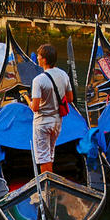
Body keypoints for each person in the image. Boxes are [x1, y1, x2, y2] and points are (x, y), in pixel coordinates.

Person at [30, 44, 73, 174]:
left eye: (39, 56)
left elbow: (35, 107)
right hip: (57, 121)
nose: (37, 58)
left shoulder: (38, 80)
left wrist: (29, 101)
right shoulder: (64, 75)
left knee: (43, 157)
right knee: (50, 153)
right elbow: (70, 98)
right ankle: (51, 182)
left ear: (44, 60)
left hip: (42, 122)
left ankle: (47, 186)